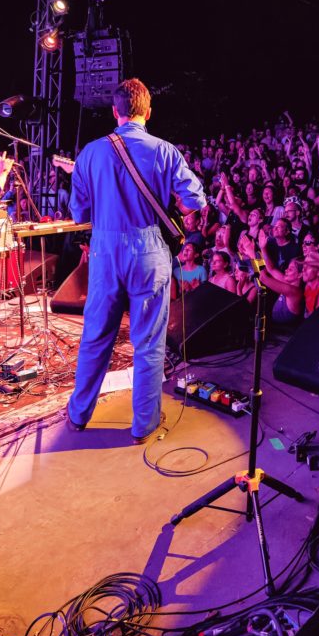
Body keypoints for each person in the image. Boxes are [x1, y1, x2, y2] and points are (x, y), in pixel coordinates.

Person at [65, 79, 206, 443]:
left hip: (105, 251)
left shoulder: (90, 153)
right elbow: (194, 201)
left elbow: (80, 212)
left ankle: (79, 414)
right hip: (148, 250)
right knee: (148, 342)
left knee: (96, 336)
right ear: (148, 112)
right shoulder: (165, 151)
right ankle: (143, 424)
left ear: (115, 111)